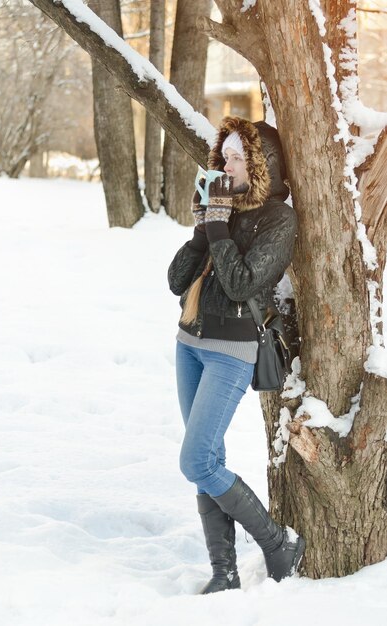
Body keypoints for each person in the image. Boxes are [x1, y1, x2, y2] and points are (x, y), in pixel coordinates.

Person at [167, 116, 305, 594]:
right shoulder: (220, 211)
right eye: (222, 156)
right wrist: (205, 229)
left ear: (262, 164)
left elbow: (243, 283)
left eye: (237, 156)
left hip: (232, 350)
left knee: (197, 461)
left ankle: (277, 542)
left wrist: (221, 227)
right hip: (190, 345)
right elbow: (176, 281)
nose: (226, 164)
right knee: (210, 457)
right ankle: (223, 573)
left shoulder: (278, 219)